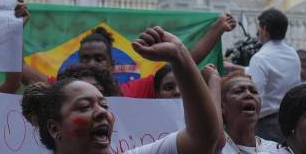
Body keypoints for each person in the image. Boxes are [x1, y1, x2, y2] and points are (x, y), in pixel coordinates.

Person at [5, 27, 220, 154]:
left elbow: (204, 137)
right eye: (84, 106)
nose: (101, 112)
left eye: (104, 105)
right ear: (54, 128)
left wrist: (179, 55)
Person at [74, 13, 235, 98]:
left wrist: (217, 30)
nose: (91, 64)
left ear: (112, 65)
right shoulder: (63, 90)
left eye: (99, 58)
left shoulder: (134, 90)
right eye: (85, 59)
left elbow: (184, 64)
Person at [197, 72, 273, 154]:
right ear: (222, 106)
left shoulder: (275, 150)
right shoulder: (211, 148)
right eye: (239, 91)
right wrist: (214, 82)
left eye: (254, 91)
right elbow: (211, 131)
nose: (248, 94)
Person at [247, 8, 302, 142]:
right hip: (290, 119)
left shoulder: (260, 58)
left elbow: (255, 95)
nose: (258, 32)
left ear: (265, 30)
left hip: (267, 124)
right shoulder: (293, 54)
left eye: (259, 28)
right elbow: (277, 73)